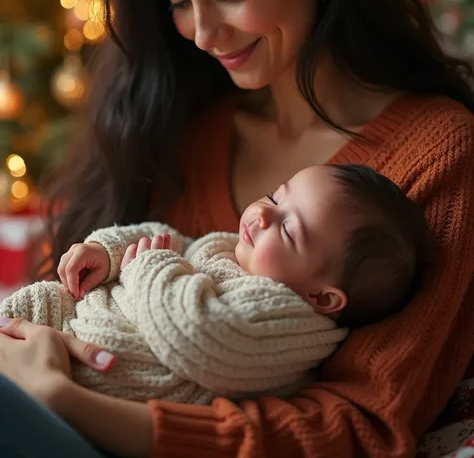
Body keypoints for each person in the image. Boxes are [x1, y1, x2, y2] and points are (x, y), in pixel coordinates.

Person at [0, 0, 473, 458]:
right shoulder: (181, 126)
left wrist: (67, 401)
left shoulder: (437, 153)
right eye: (176, 2)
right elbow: (57, 301)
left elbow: (358, 425)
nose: (201, 31)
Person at [1, 163, 430, 404]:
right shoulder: (231, 249)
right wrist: (108, 251)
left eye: (288, 230)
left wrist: (148, 266)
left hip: (107, 384)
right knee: (29, 305)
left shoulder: (287, 318)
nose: (263, 214)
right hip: (72, 325)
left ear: (322, 296)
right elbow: (170, 241)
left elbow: (199, 332)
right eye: (277, 197)